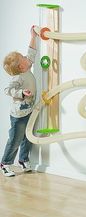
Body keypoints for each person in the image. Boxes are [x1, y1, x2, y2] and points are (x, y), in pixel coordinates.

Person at [0, 26, 38, 177]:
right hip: (18, 115)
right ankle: (5, 163)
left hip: (28, 110)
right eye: (23, 58)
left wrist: (33, 36)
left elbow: (31, 52)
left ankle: (23, 160)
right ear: (21, 67)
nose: (26, 57)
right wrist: (22, 92)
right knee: (15, 139)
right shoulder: (18, 77)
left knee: (27, 136)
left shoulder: (27, 66)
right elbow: (7, 90)